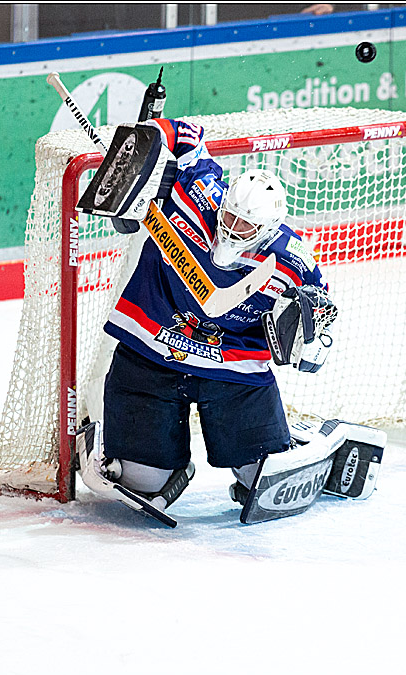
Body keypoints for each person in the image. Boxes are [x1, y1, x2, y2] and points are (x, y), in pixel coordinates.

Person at [75, 116, 340, 521]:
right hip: (152, 346)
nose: (232, 228)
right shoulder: (198, 194)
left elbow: (320, 318)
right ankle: (150, 461)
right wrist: (143, 143)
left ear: (269, 228)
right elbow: (185, 133)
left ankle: (299, 440)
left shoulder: (292, 260)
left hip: (233, 368)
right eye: (229, 216)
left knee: (262, 478)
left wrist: (309, 332)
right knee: (142, 481)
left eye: (246, 225)